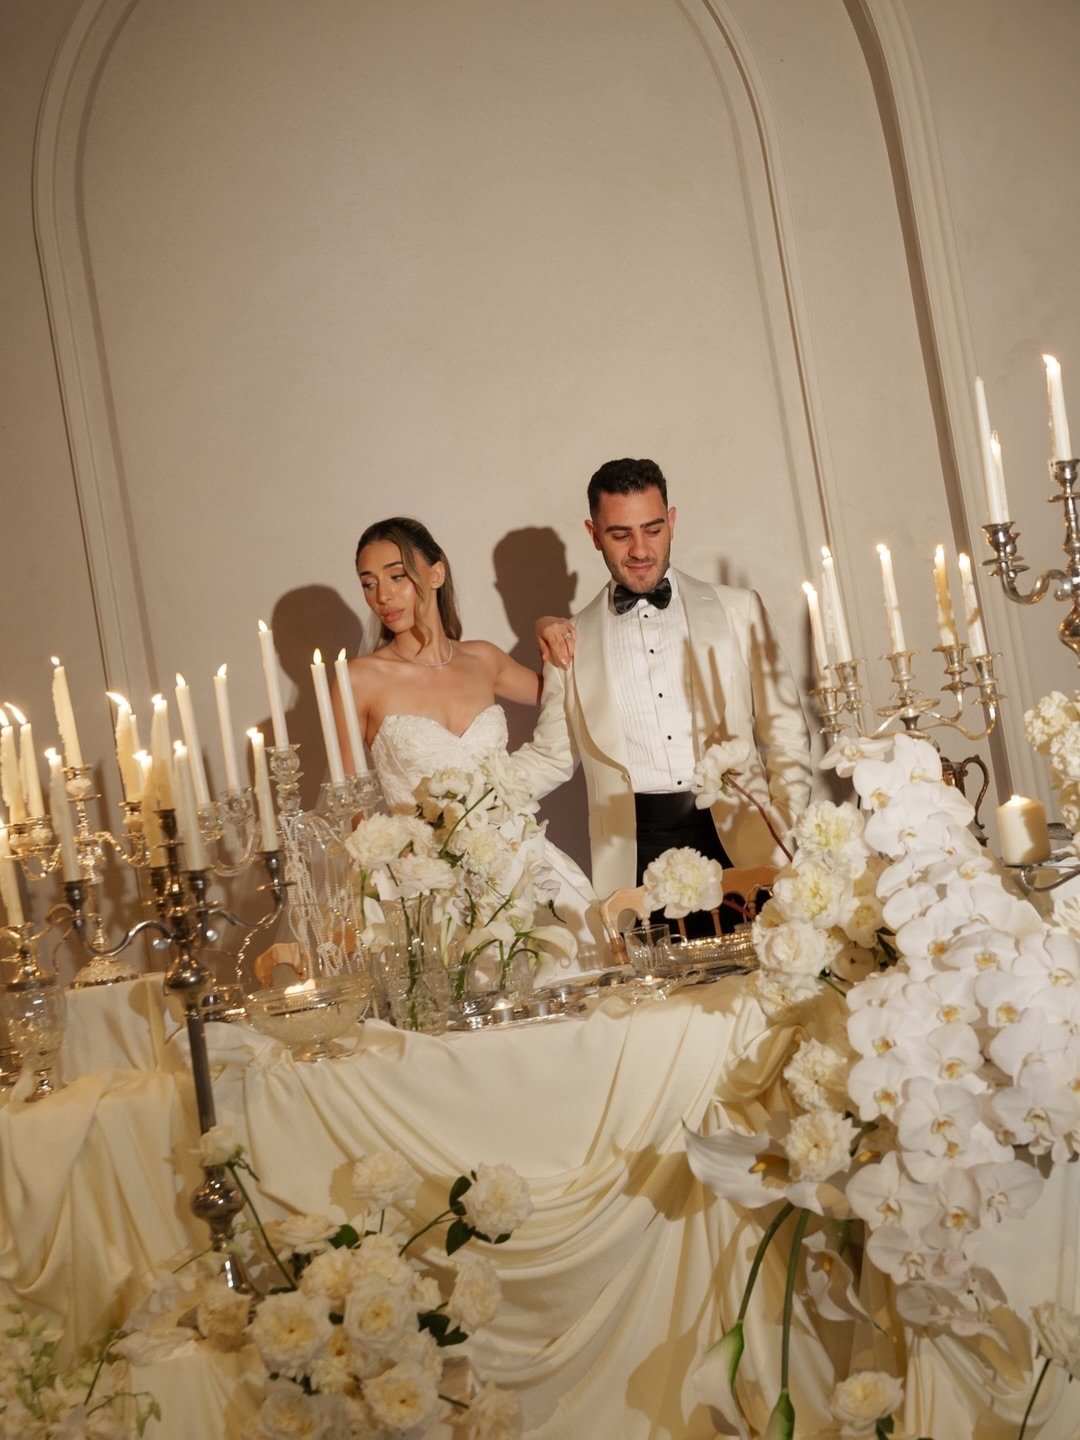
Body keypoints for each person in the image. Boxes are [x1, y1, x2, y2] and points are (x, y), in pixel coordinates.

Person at [513, 458, 813, 910]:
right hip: (632, 854)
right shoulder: (569, 643)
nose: (640, 549)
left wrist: (784, 826)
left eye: (652, 529)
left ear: (672, 521)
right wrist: (465, 798)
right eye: (620, 534)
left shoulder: (739, 611)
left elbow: (786, 734)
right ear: (594, 534)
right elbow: (552, 757)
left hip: (743, 839)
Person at [332, 516, 605, 966]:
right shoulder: (358, 680)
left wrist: (546, 626)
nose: (382, 596)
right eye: (368, 583)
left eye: (397, 576)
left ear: (435, 573)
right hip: (423, 885)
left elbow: (566, 697)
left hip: (517, 864)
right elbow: (351, 809)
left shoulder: (482, 659)